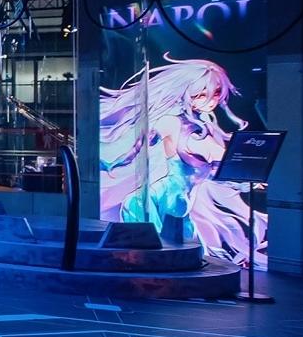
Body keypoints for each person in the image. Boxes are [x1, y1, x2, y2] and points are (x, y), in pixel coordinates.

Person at [99, 56, 265, 268]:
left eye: (216, 93)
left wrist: (246, 179)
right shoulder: (183, 129)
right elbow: (137, 147)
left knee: (177, 248)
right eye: (202, 94)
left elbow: (221, 169)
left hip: (176, 199)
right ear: (187, 93)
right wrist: (113, 163)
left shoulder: (194, 129)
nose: (211, 100)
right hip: (160, 197)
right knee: (157, 249)